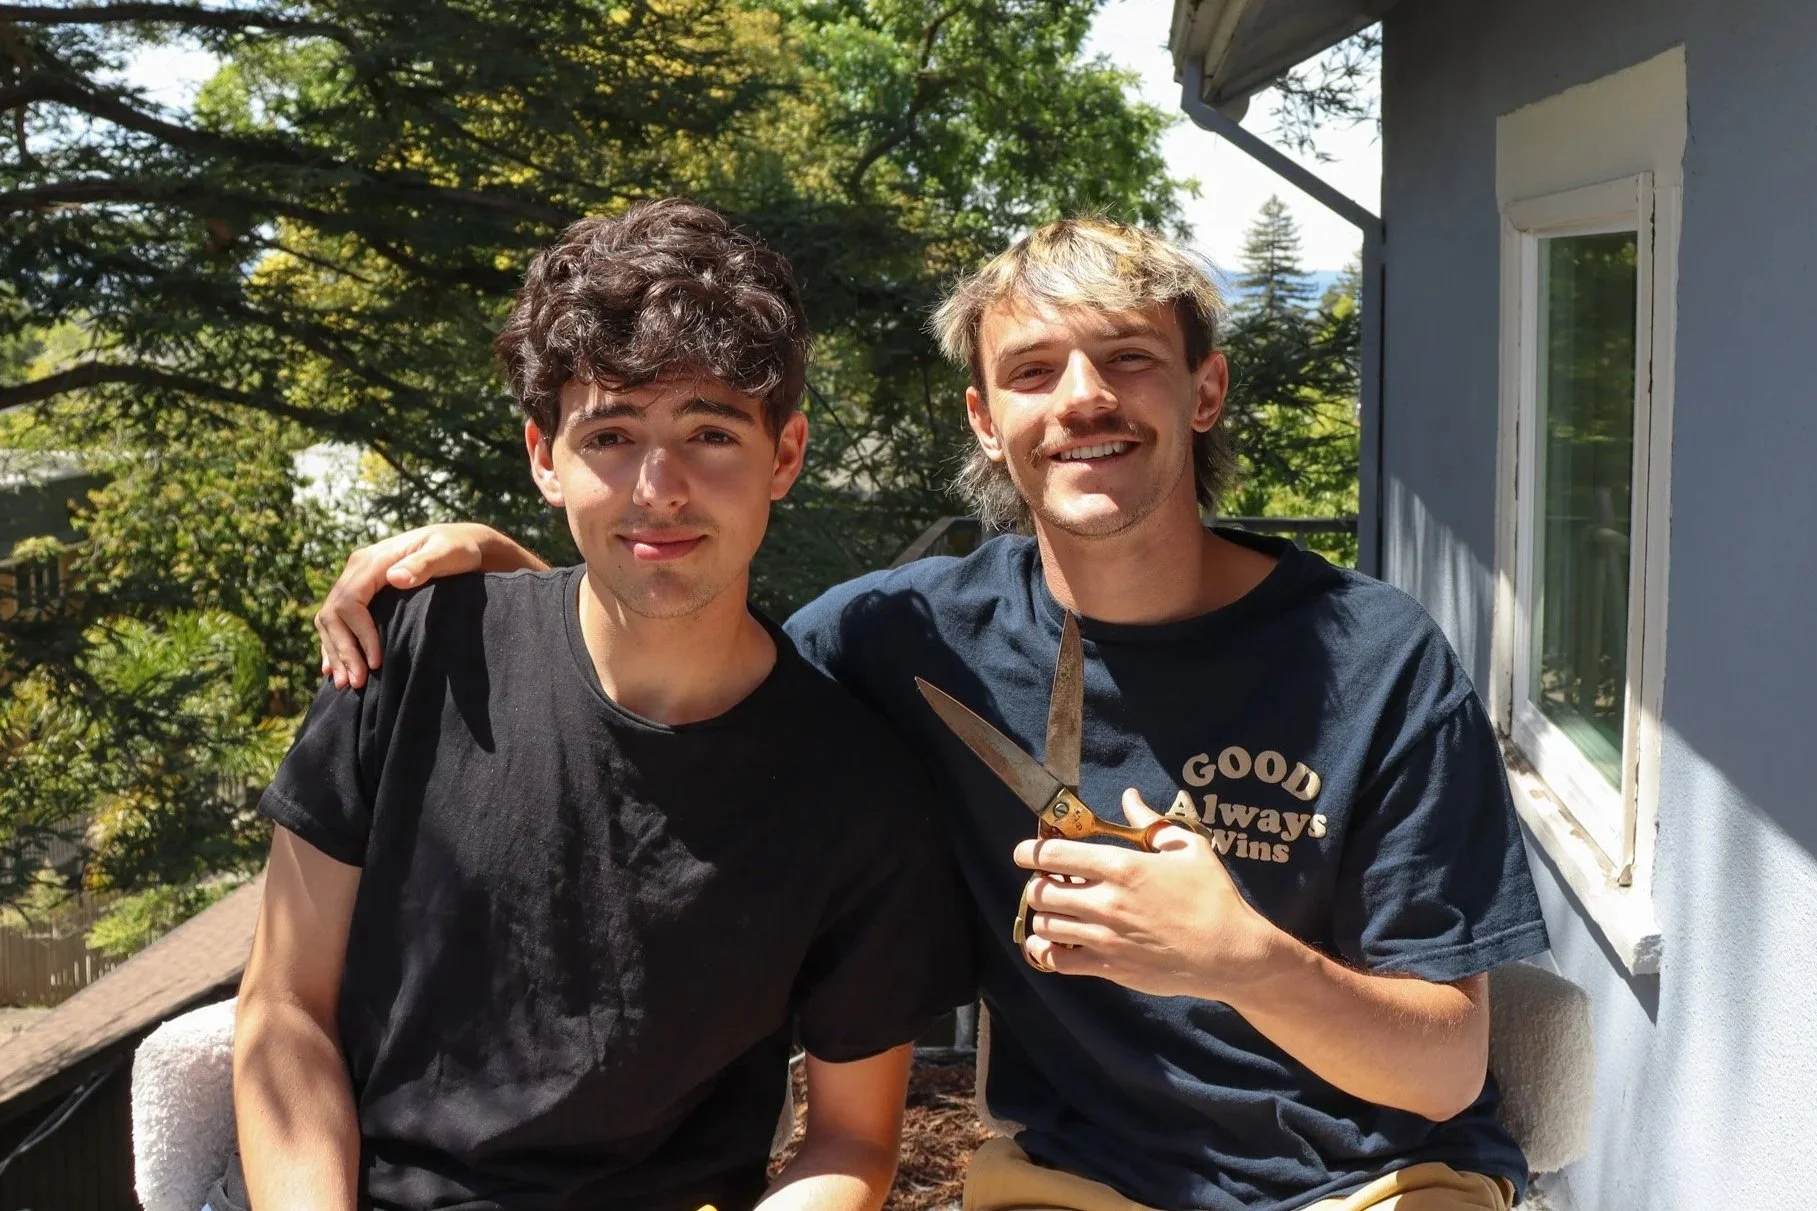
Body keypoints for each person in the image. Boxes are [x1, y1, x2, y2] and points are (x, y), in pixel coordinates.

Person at [315, 217, 1549, 1211]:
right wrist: (515, 577)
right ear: (983, 417)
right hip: (1072, 1182)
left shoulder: (1371, 655)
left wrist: (1235, 956)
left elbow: (1443, 1067)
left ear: (1203, 389)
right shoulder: (897, 635)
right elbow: (682, 653)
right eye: (1030, 371)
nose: (1081, 400)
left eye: (1126, 357)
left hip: (1374, 1179)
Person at [234, 199, 973, 1211]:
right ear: (544, 456)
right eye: (611, 434)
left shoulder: (858, 789)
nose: (657, 487)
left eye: (709, 432)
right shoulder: (411, 654)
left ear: (785, 453)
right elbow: (284, 1009)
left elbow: (848, 1138)